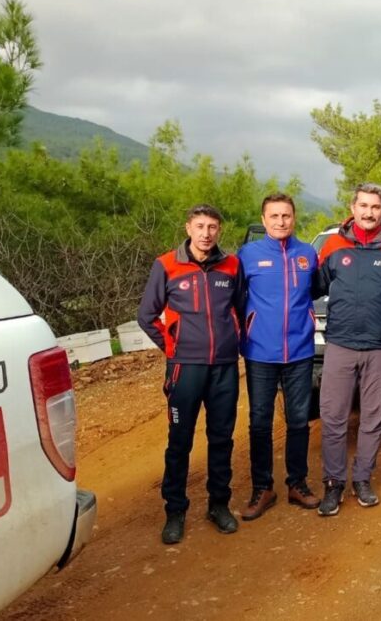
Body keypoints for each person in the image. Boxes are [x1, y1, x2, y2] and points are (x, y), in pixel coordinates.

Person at [137, 204, 246, 544]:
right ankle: (175, 511)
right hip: (185, 368)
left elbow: (242, 309)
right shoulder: (166, 265)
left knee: (222, 438)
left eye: (212, 227)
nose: (206, 233)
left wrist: (236, 342)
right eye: (200, 226)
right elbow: (146, 316)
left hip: (224, 367)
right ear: (188, 228)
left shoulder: (232, 265)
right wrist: (173, 348)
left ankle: (219, 505)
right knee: (179, 441)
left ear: (219, 230)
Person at [313, 183, 381, 516]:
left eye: (375, 207)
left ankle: (362, 479)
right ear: (352, 208)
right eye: (364, 206)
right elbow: (316, 287)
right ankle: (333, 483)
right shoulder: (333, 245)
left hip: (380, 347)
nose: (369, 213)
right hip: (340, 344)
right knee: (333, 417)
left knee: (373, 417)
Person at [236, 193, 320, 520]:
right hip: (260, 351)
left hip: (299, 350)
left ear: (294, 218)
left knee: (298, 420)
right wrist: (246, 329)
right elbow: (236, 298)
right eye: (274, 216)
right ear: (264, 219)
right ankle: (262, 487)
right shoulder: (248, 255)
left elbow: (314, 291)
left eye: (286, 215)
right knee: (260, 421)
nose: (281, 221)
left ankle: (297, 483)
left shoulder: (307, 253)